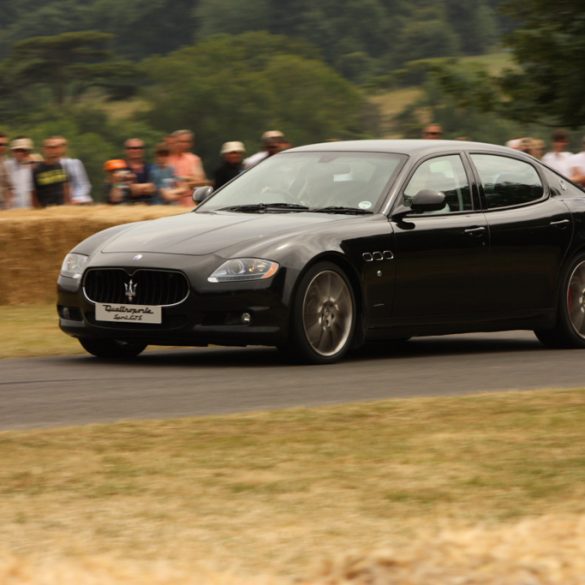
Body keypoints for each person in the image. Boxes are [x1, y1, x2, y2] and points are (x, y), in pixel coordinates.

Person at [167, 129, 208, 206]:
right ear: (174, 142)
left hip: (190, 202)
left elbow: (202, 181)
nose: (184, 144)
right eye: (181, 141)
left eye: (187, 142)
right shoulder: (166, 160)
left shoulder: (194, 159)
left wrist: (186, 183)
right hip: (171, 203)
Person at [32, 137, 70, 208]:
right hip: (45, 208)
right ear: (44, 149)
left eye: (55, 148)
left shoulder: (60, 166)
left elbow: (65, 186)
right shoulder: (37, 169)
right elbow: (34, 192)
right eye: (50, 148)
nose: (52, 150)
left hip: (61, 207)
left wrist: (68, 203)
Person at [56, 136, 93, 204]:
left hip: (76, 199)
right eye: (54, 147)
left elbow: (83, 184)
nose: (57, 149)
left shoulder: (74, 163)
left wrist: (76, 198)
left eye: (60, 146)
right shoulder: (44, 166)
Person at [123, 138, 156, 204]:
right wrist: (146, 187)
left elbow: (153, 189)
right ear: (125, 150)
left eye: (140, 148)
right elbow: (125, 191)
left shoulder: (151, 167)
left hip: (149, 208)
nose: (136, 150)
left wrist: (134, 187)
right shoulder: (120, 168)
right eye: (132, 148)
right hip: (126, 208)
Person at [5, 137, 34, 208]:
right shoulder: (7, 166)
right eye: (17, 150)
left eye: (23, 150)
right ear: (12, 152)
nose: (20, 153)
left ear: (29, 151)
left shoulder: (35, 166)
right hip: (11, 208)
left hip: (30, 207)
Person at [0, 132, 12, 209]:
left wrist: (8, 206)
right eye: (0, 144)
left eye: (5, 144)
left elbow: (8, 186)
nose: (2, 147)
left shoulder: (7, 163)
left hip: (2, 204)